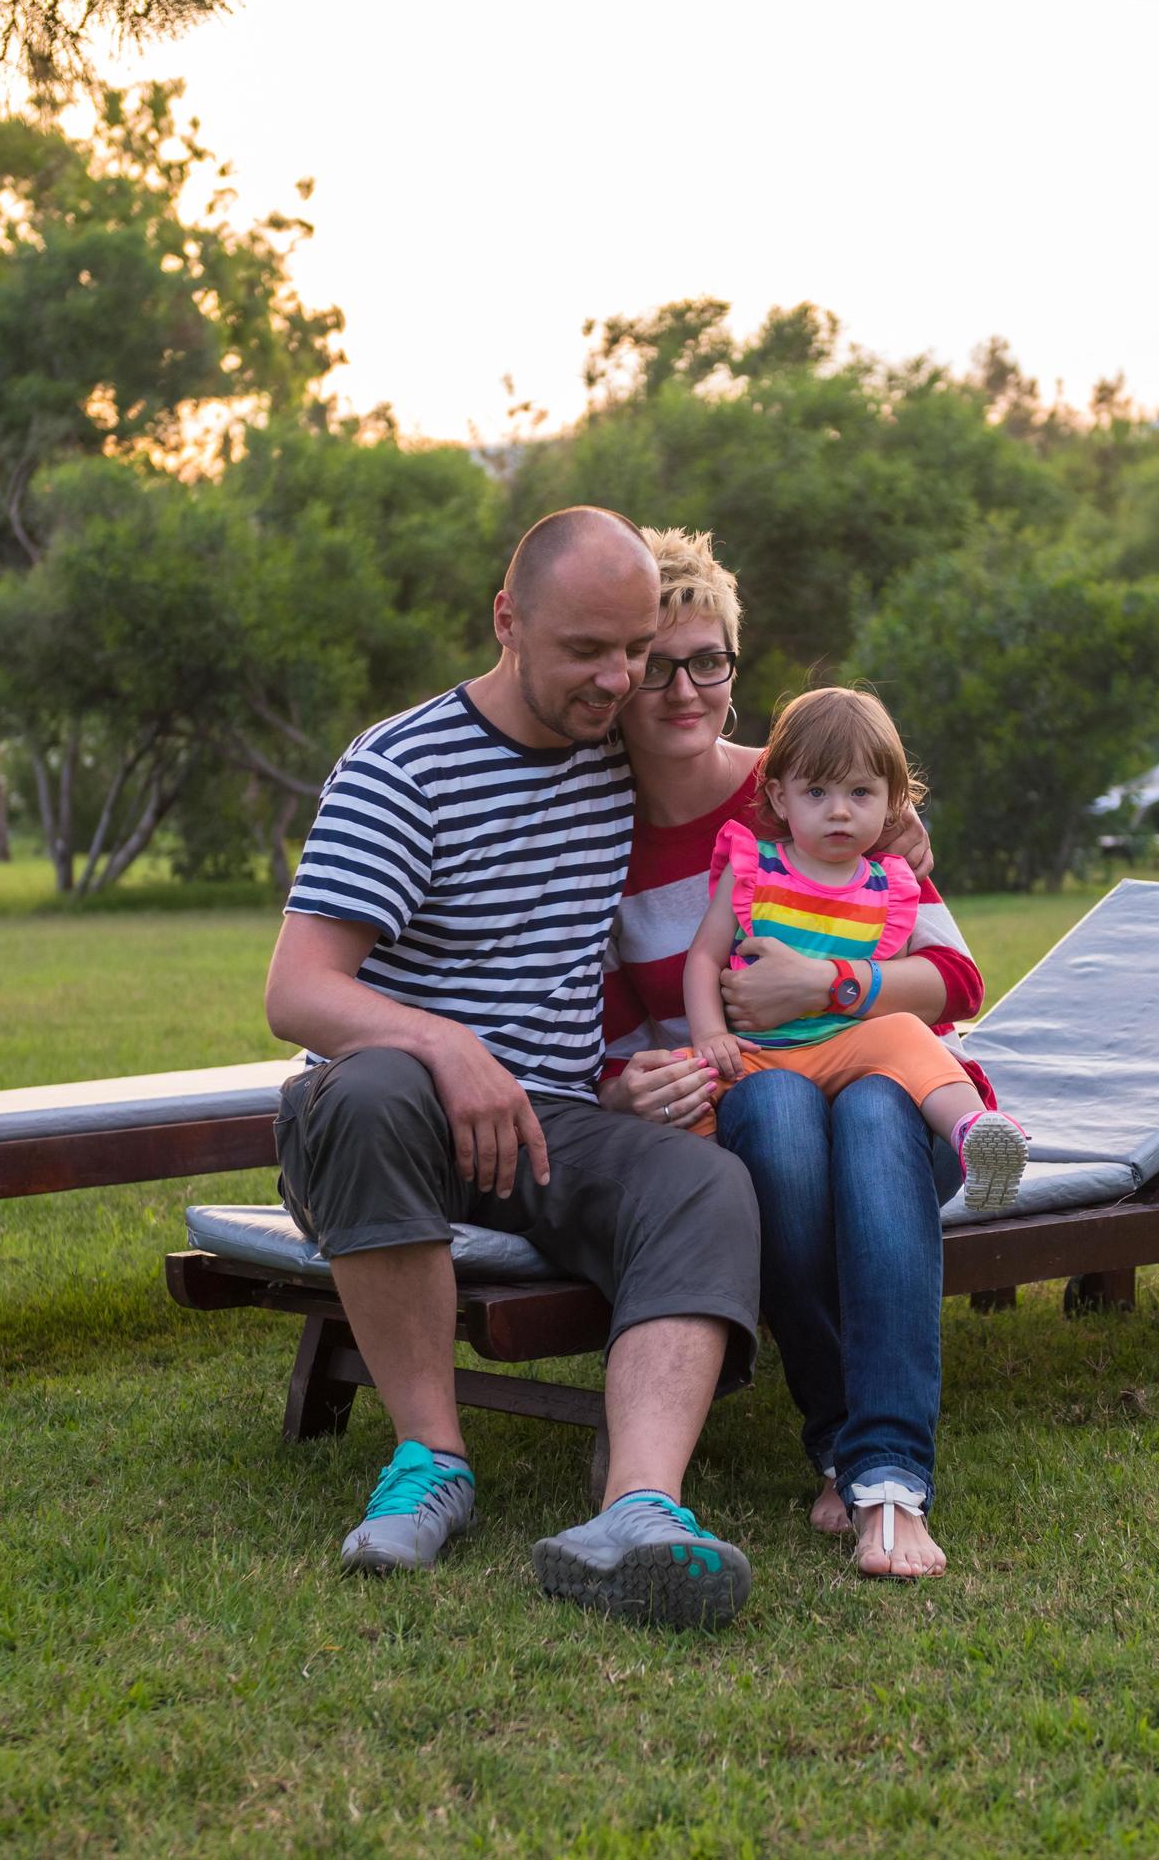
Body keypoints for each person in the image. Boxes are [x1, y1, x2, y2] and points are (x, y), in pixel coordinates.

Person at [264, 505, 764, 1632]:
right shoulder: (402, 767)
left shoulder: (615, 751)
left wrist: (891, 839)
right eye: (587, 650)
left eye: (633, 650)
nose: (619, 681)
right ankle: (431, 1458)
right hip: (379, 1124)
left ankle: (636, 1509)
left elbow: (754, 775)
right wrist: (448, 1046)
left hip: (546, 1124)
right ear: (507, 620)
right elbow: (296, 991)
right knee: (382, 1083)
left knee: (705, 1181)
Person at [595, 530, 986, 1580]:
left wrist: (828, 985)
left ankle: (889, 1479)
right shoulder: (592, 838)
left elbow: (955, 980)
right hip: (750, 1105)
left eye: (708, 659)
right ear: (619, 675)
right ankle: (847, 1447)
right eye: (656, 663)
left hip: (899, 1095)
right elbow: (590, 1043)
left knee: (860, 1118)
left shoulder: (817, 780)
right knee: (776, 1124)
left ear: (734, 668)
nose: (684, 688)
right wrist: (630, 1087)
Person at [678, 687, 1028, 1220]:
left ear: (893, 801)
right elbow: (703, 957)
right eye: (816, 792)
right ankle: (705, 1206)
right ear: (778, 797)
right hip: (758, 1053)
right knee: (686, 1085)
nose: (839, 812)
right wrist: (709, 1035)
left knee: (907, 1036)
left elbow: (936, 982)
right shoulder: (753, 868)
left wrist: (830, 984)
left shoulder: (891, 882)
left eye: (860, 792)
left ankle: (975, 1134)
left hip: (850, 1048)